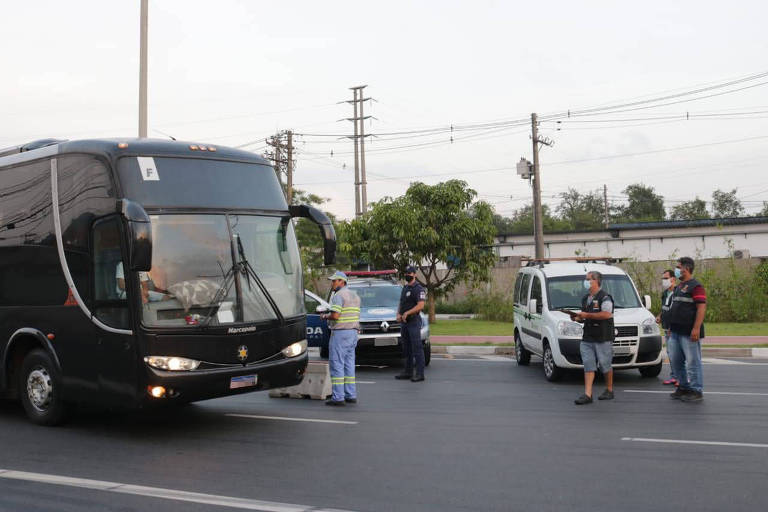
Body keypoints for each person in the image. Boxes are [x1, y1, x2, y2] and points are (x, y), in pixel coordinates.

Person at [667, 257, 707, 402]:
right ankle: (683, 387)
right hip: (676, 332)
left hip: (689, 333)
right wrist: (671, 328)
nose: (676, 270)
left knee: (692, 362)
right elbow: (675, 309)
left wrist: (696, 328)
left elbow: (701, 308)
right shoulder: (678, 287)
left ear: (687, 268)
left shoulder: (696, 286)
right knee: (676, 362)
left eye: (678, 267)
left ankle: (696, 390)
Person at [572, 271, 615, 405]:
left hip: (603, 337)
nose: (585, 281)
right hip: (588, 337)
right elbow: (585, 317)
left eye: (588, 279)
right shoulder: (585, 298)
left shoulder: (605, 297)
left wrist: (586, 315)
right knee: (588, 364)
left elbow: (606, 314)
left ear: (596, 281)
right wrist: (578, 318)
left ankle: (609, 389)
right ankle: (588, 394)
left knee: (604, 364)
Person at [321, 271, 361, 406]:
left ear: (342, 282)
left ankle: (338, 397)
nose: (332, 283)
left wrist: (325, 316)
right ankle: (351, 394)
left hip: (341, 333)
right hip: (353, 333)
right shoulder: (355, 295)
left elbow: (336, 316)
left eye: (334, 281)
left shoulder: (338, 295)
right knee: (349, 365)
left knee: (337, 364)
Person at [395, 265, 427, 382]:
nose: (407, 275)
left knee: (417, 348)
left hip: (413, 321)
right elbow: (401, 302)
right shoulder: (405, 288)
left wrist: (407, 313)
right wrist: (398, 313)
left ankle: (420, 373)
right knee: (406, 348)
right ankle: (408, 371)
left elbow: (420, 305)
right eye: (406, 273)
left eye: (410, 273)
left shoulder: (418, 289)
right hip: (404, 322)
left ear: (415, 275)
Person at [656, 269, 678, 385]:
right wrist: (659, 316)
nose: (663, 281)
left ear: (673, 279)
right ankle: (674, 376)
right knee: (670, 353)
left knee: (677, 353)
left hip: (673, 328)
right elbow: (665, 307)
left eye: (665, 278)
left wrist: (671, 327)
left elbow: (677, 311)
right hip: (666, 328)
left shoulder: (677, 292)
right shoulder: (665, 293)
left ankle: (681, 377)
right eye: (663, 278)